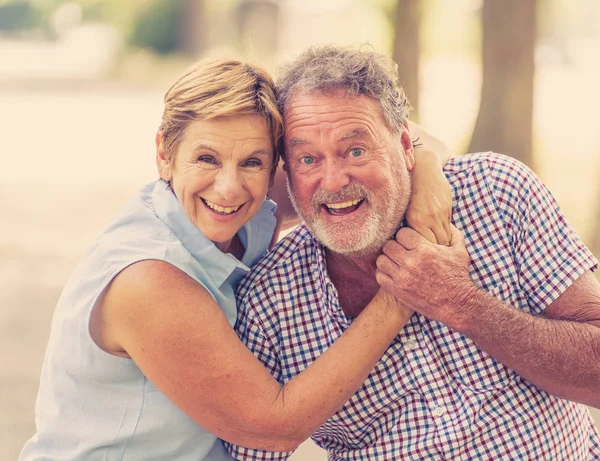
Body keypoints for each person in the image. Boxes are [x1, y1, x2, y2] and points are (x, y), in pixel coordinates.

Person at [19, 59, 453, 460]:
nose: (228, 189)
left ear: (272, 166)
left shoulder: (250, 201)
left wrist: (428, 172)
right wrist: (402, 291)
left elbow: (391, 133)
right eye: (206, 158)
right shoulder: (147, 279)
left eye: (251, 162)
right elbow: (274, 427)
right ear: (164, 155)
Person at [224, 45, 600, 460]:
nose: (333, 181)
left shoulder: (498, 194)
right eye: (308, 158)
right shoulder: (268, 301)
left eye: (355, 150)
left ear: (406, 146)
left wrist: (463, 304)